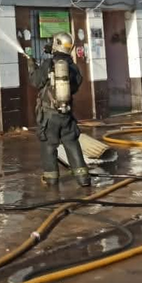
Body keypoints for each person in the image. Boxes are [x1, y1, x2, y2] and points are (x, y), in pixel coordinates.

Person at [30, 32, 91, 186]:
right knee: (71, 142)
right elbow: (76, 85)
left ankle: (51, 179)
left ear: (57, 44)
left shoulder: (48, 64)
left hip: (49, 116)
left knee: (49, 145)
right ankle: (83, 178)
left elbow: (35, 81)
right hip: (66, 114)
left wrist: (31, 66)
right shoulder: (73, 67)